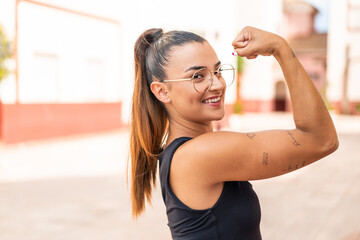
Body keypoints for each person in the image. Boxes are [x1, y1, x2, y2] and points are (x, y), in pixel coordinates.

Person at [129, 27, 339, 239]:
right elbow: (321, 139)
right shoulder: (200, 154)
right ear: (162, 91)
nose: (218, 84)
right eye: (198, 76)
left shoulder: (181, 152)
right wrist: (280, 48)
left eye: (218, 71)